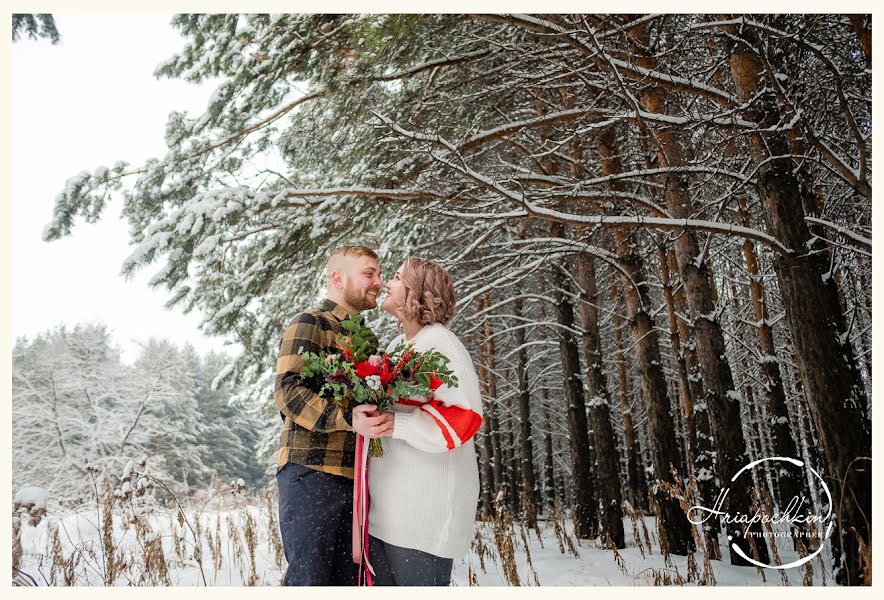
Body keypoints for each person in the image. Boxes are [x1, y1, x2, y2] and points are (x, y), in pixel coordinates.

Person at [354, 257, 483, 586]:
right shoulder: (399, 347)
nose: (387, 283)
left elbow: (465, 416)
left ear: (416, 294)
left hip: (423, 519)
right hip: (386, 515)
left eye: (396, 278)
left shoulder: (440, 344)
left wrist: (398, 425)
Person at [274, 245, 395, 586]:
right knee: (310, 581)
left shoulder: (368, 340)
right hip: (312, 474)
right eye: (369, 273)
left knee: (349, 583)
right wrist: (347, 419)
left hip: (357, 481)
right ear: (337, 277)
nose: (378, 282)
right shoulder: (311, 322)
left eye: (380, 275)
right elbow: (288, 392)